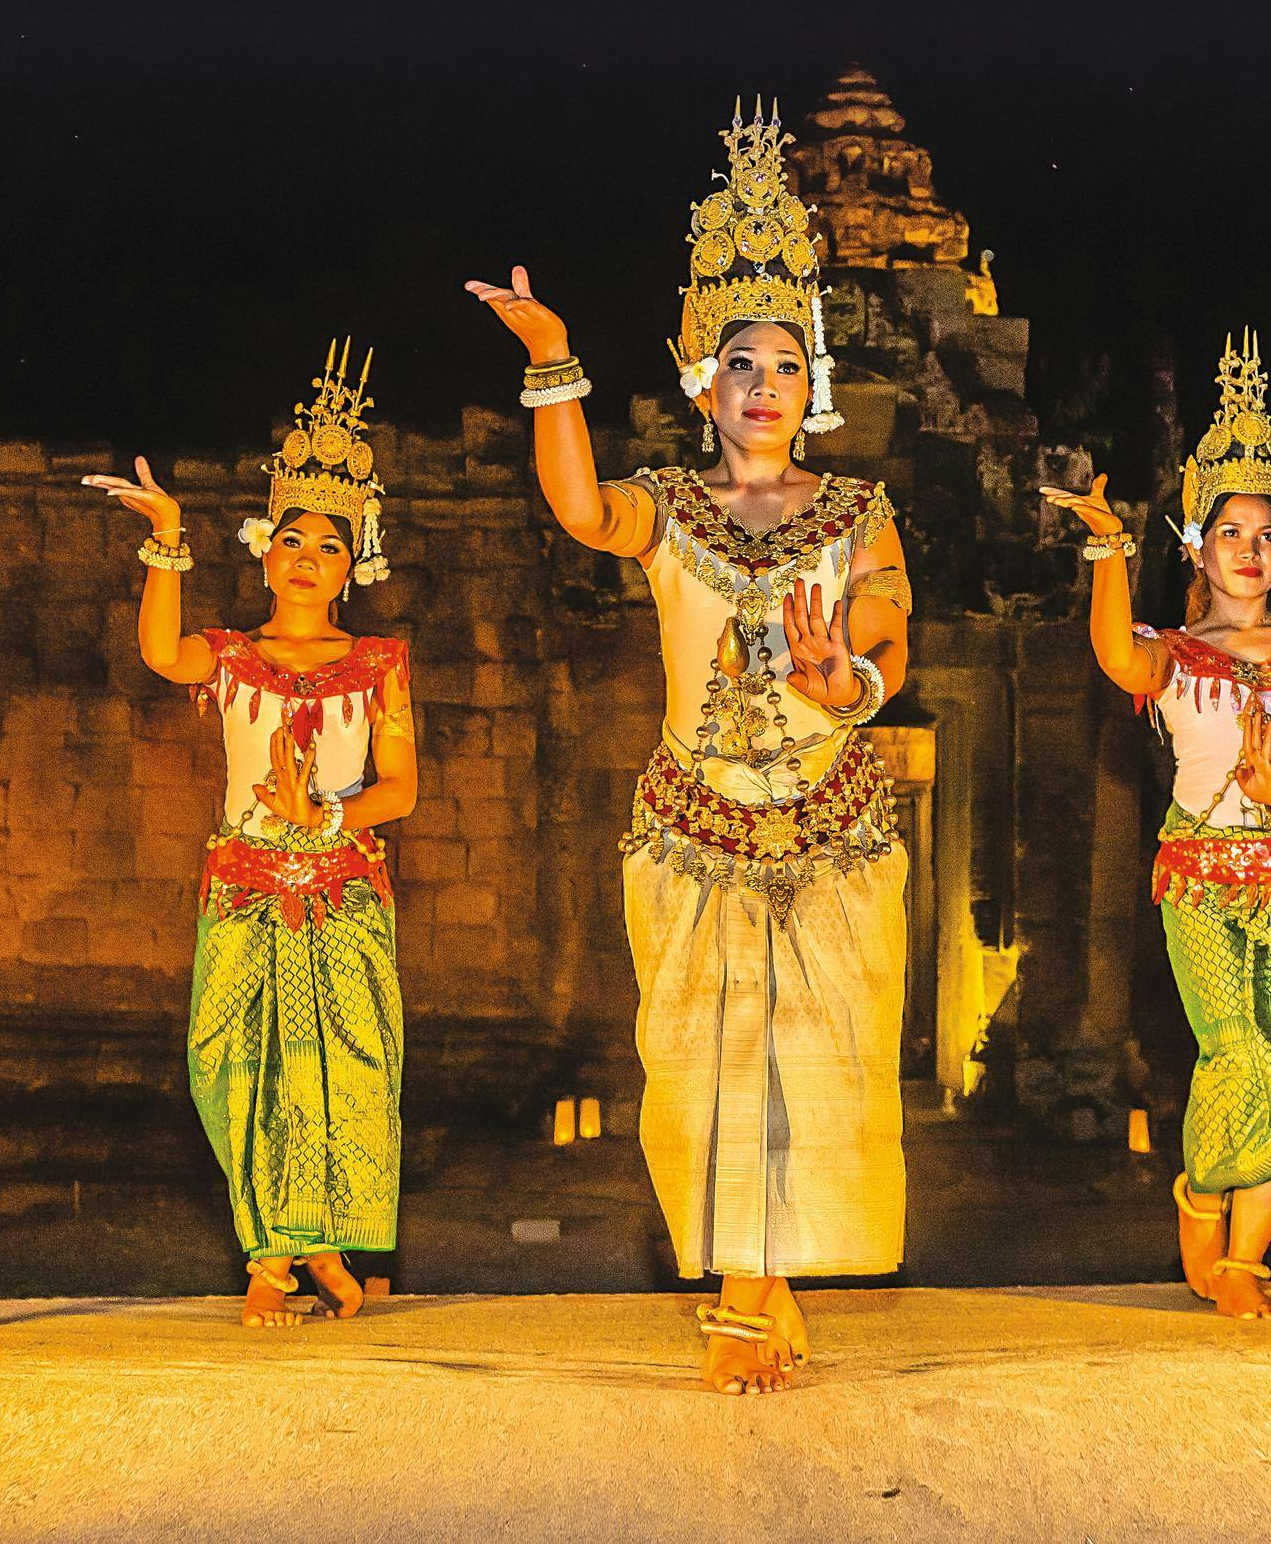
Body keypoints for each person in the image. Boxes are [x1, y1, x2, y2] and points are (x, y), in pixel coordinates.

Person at [467, 99, 912, 1395]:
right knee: (712, 1061)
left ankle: (755, 1287)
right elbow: (575, 507)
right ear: (698, 380)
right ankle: (743, 1284)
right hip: (698, 824)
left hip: (830, 818)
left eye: (782, 363)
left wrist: (853, 675)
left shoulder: (858, 506)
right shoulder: (666, 505)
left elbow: (887, 615)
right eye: (738, 364)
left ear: (810, 383)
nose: (761, 385)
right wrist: (554, 360)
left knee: (815, 1062)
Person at [1045, 331, 1271, 1317]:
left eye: (1268, 533)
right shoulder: (1171, 651)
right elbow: (1115, 654)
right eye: (1231, 532)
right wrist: (1109, 548)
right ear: (1197, 544)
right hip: (1202, 875)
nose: (1251, 550)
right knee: (1241, 1048)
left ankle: (1244, 1263)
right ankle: (1203, 1189)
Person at [84, 342, 417, 1327]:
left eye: (329, 545)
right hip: (241, 883)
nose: (308, 558)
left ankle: (284, 1259)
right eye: (292, 540)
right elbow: (156, 650)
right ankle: (291, 1236)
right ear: (264, 549)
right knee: (229, 1060)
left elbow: (400, 785)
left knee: (345, 1067)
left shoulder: (380, 661)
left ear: (352, 565)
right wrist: (166, 540)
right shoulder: (228, 655)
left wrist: (329, 813)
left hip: (342, 883)